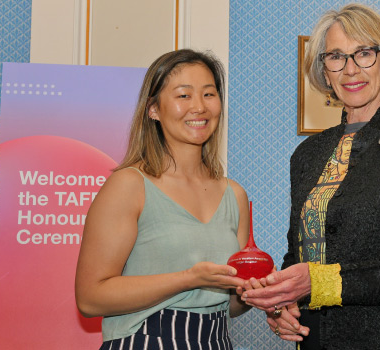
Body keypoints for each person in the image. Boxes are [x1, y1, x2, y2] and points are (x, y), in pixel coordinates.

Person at [239, 4, 380, 349]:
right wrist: (282, 304)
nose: (350, 69)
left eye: (364, 53)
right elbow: (299, 256)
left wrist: (320, 283)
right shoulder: (307, 155)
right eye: (336, 56)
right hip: (315, 338)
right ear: (324, 69)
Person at [75, 49, 250, 349]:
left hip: (216, 341)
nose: (199, 107)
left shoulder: (234, 195)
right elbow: (90, 298)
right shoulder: (129, 185)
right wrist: (187, 278)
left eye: (209, 94)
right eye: (183, 96)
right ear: (153, 109)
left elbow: (231, 306)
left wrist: (252, 291)